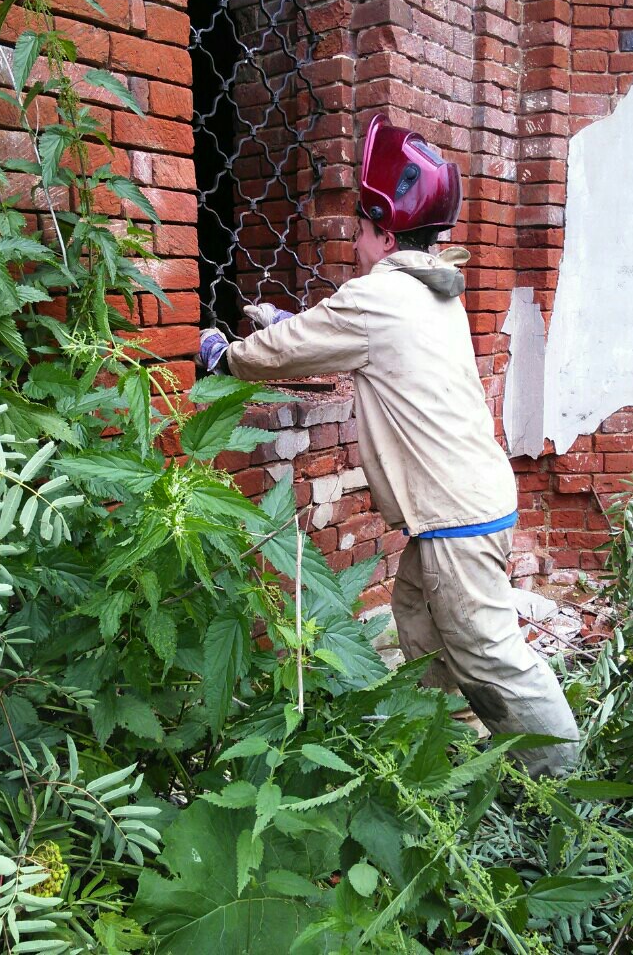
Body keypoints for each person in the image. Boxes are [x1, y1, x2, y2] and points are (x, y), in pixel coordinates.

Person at [198, 114, 579, 777]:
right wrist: (299, 325)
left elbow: (292, 349)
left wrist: (223, 357)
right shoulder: (435, 295)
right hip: (473, 503)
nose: (354, 242)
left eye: (360, 227)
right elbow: (353, 344)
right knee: (416, 612)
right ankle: (439, 742)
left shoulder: (377, 298)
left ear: (381, 228)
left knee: (492, 654)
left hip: (456, 519)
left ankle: (573, 793)